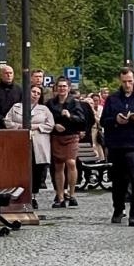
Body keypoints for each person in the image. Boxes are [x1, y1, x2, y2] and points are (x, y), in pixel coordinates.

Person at [101, 69, 134, 226]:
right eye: (124, 81)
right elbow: (103, 121)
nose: (127, 84)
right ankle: (118, 209)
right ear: (120, 81)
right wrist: (115, 120)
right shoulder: (112, 99)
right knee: (118, 181)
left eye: (130, 81)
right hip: (117, 144)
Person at [47, 80, 93, 208]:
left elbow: (82, 120)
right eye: (59, 86)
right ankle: (60, 196)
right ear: (56, 88)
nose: (62, 89)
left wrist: (70, 116)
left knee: (71, 162)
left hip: (71, 136)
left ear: (68, 88)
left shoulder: (75, 103)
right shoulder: (51, 103)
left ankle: (72, 194)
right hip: (57, 136)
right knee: (58, 165)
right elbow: (47, 118)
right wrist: (54, 126)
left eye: (64, 86)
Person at [5, 85, 55, 198]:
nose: (35, 94)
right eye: (33, 91)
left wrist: (35, 127)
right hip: (20, 140)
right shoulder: (16, 107)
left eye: (38, 93)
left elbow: (50, 125)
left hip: (38, 142)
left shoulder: (44, 109)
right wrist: (21, 127)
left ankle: (34, 195)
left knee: (37, 169)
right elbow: (7, 122)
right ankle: (19, 194)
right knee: (20, 168)